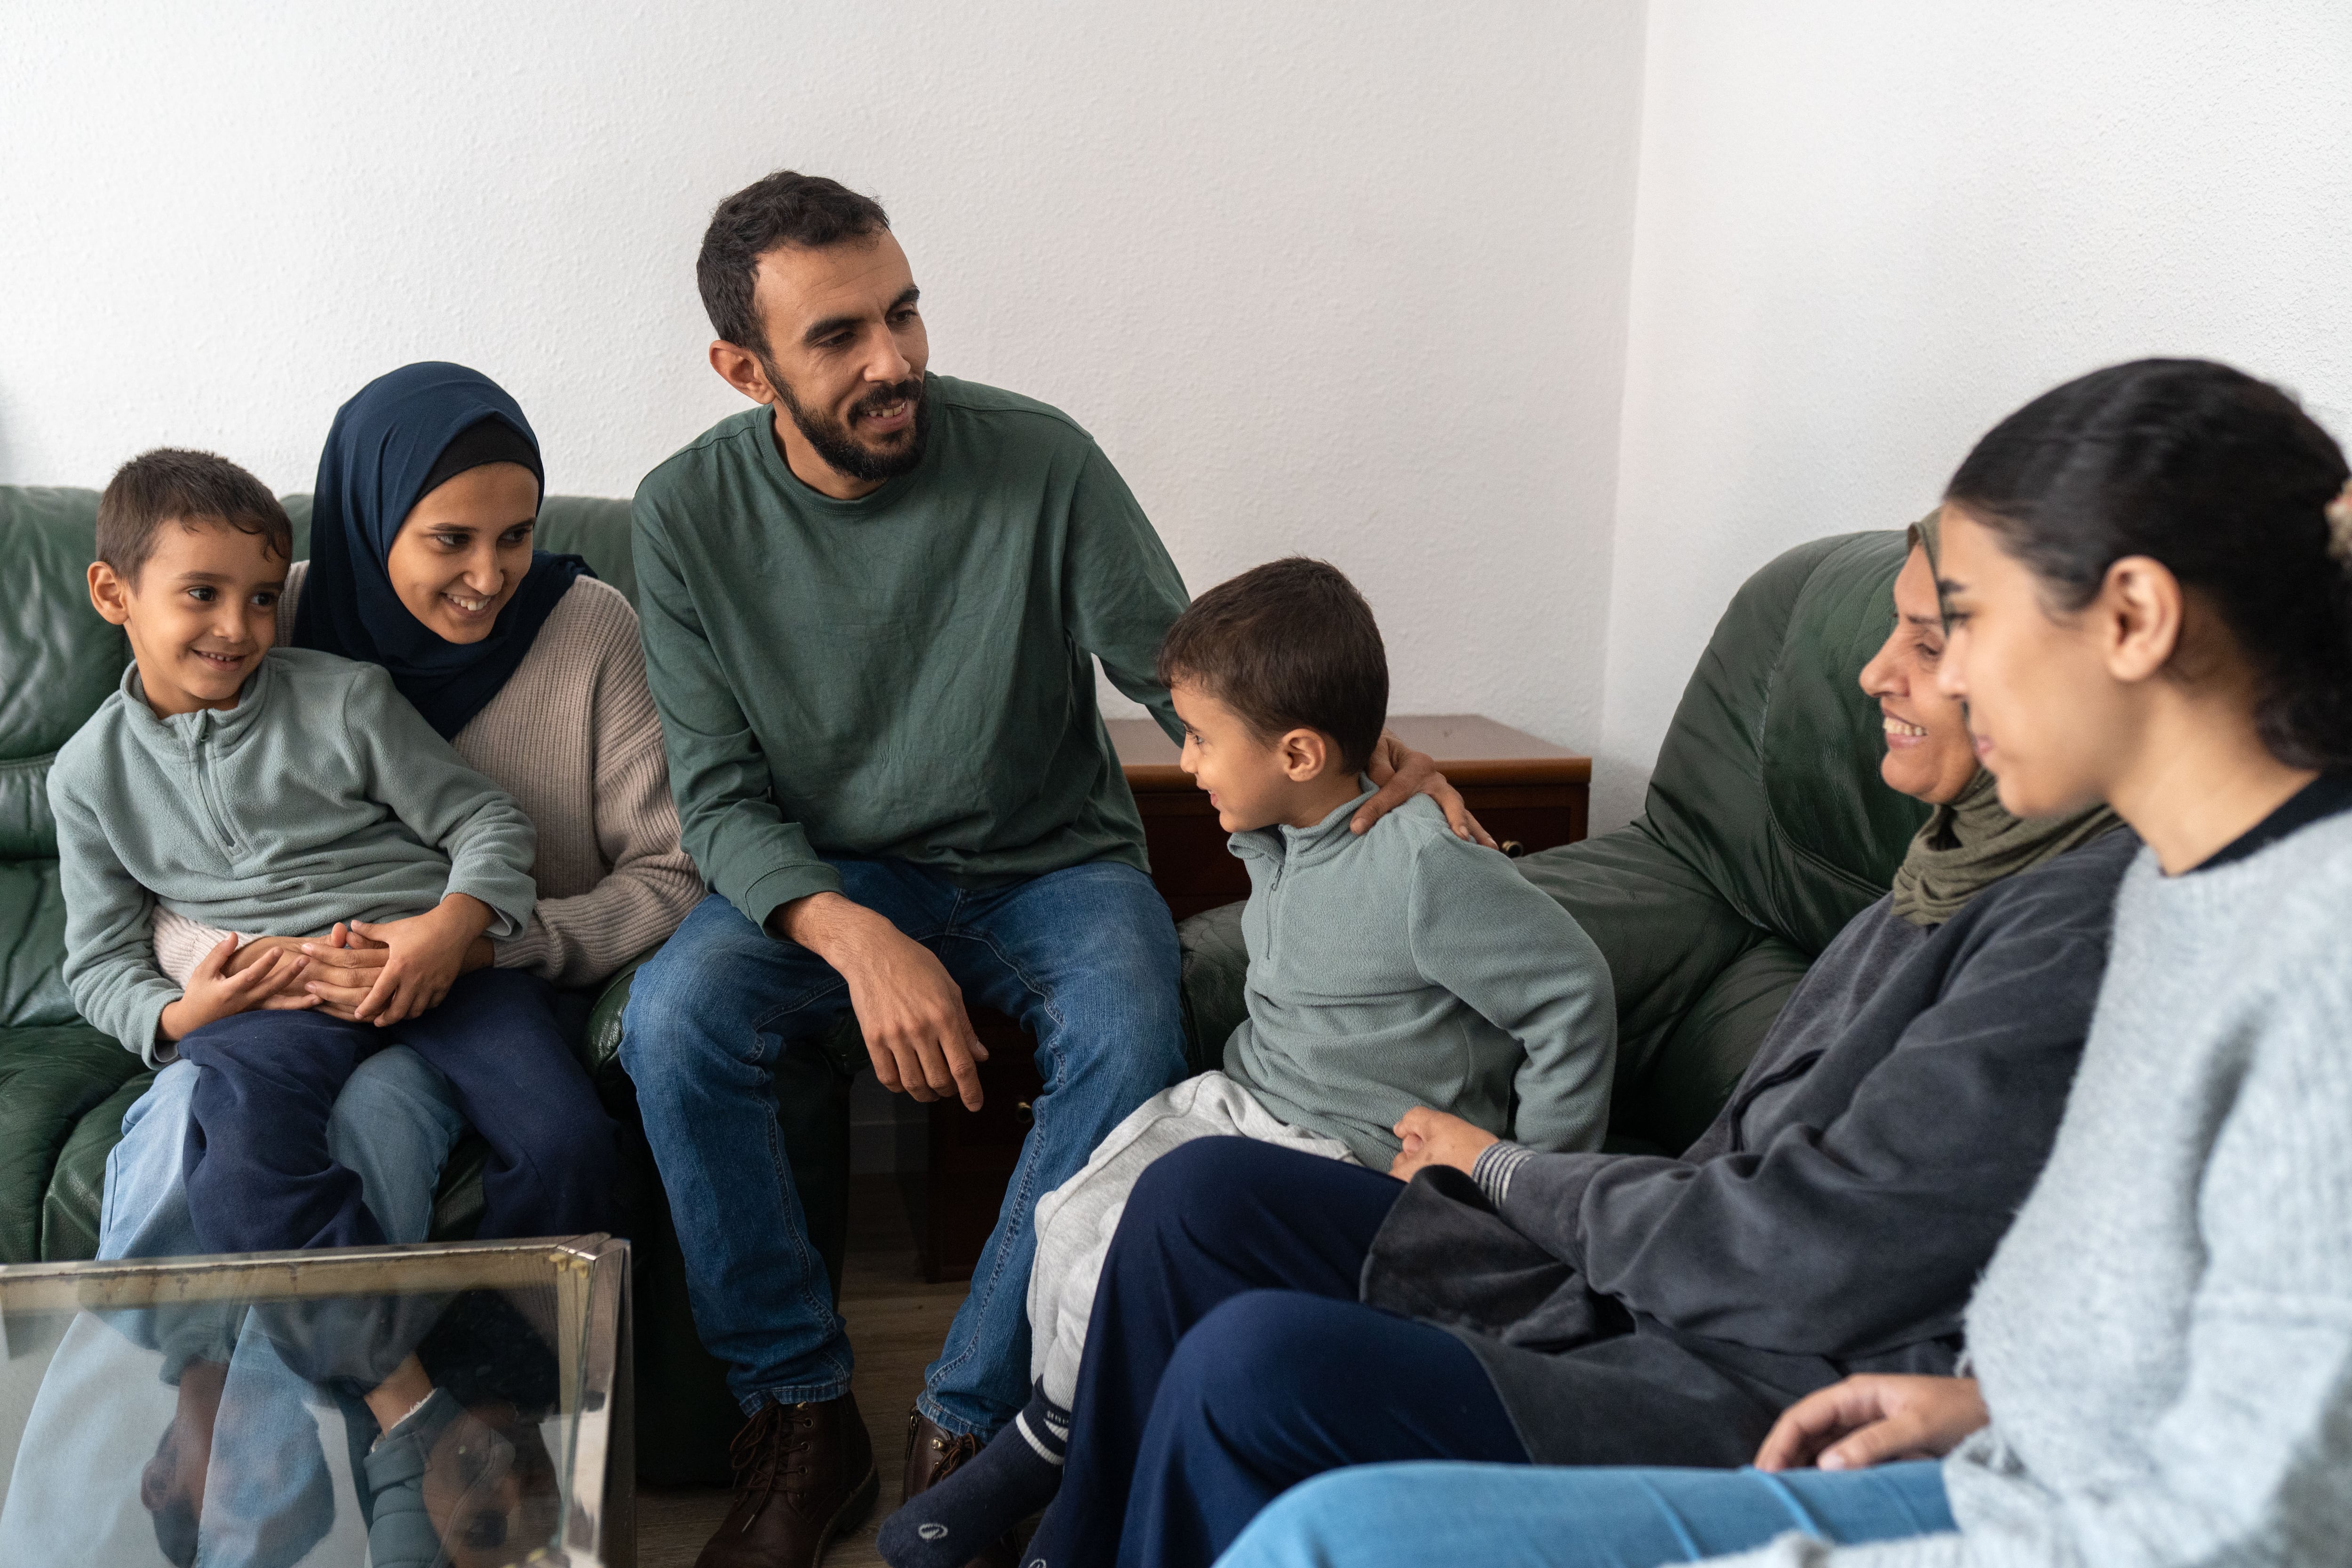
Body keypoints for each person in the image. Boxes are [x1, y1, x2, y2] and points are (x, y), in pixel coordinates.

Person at [1218, 355, 2352, 1568]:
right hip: (1980, 1452)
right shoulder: (2178, 895)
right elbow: (2167, 1349)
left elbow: (2250, 1528)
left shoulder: (2307, 965)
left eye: (1960, 622)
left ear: (2131, 617)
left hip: (1986, 1499)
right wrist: (2002, 1407)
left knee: (1327, 1539)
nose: (1933, 676)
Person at [619, 170, 1479, 1568]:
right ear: (744, 366)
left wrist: (1368, 753)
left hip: (1047, 864)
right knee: (679, 1016)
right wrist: (852, 933)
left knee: (1134, 1018)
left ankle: (969, 1420)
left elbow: (1193, 668)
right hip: (834, 871)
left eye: (903, 312)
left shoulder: (1041, 458)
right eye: (839, 335)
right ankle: (799, 1413)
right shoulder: (684, 516)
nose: (894, 359)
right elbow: (715, 798)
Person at [1023, 512, 2137, 1568]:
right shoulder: (1944, 868)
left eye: (1931, 638)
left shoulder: (2058, 933)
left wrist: (1510, 1170)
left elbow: (1808, 1245)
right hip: (1655, 1264)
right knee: (1200, 1192)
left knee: (1248, 1365)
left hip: (1727, 1356)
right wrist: (1354, 790)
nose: (1874, 671)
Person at [875, 559, 1616, 1568]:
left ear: (1300, 751)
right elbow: (1307, 776)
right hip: (1243, 1100)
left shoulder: (1425, 866)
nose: (1187, 762)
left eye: (1200, 739)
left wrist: (1530, 1183)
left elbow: (1574, 993)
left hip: (1341, 1147)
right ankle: (1051, 1432)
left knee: (1106, 1267)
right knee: (1067, 1215)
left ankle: (1053, 1465)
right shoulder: (1278, 827)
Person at [90, 363, 702, 1566]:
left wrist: (465, 934)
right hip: (288, 996)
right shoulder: (282, 612)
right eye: (449, 539)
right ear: (370, 523)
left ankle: (495, 1411)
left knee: (565, 1139)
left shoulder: (585, 632)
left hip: (483, 972)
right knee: (228, 1140)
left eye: (518, 535)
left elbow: (666, 873)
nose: (489, 575)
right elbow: (162, 880)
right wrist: (234, 973)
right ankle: (384, 1418)